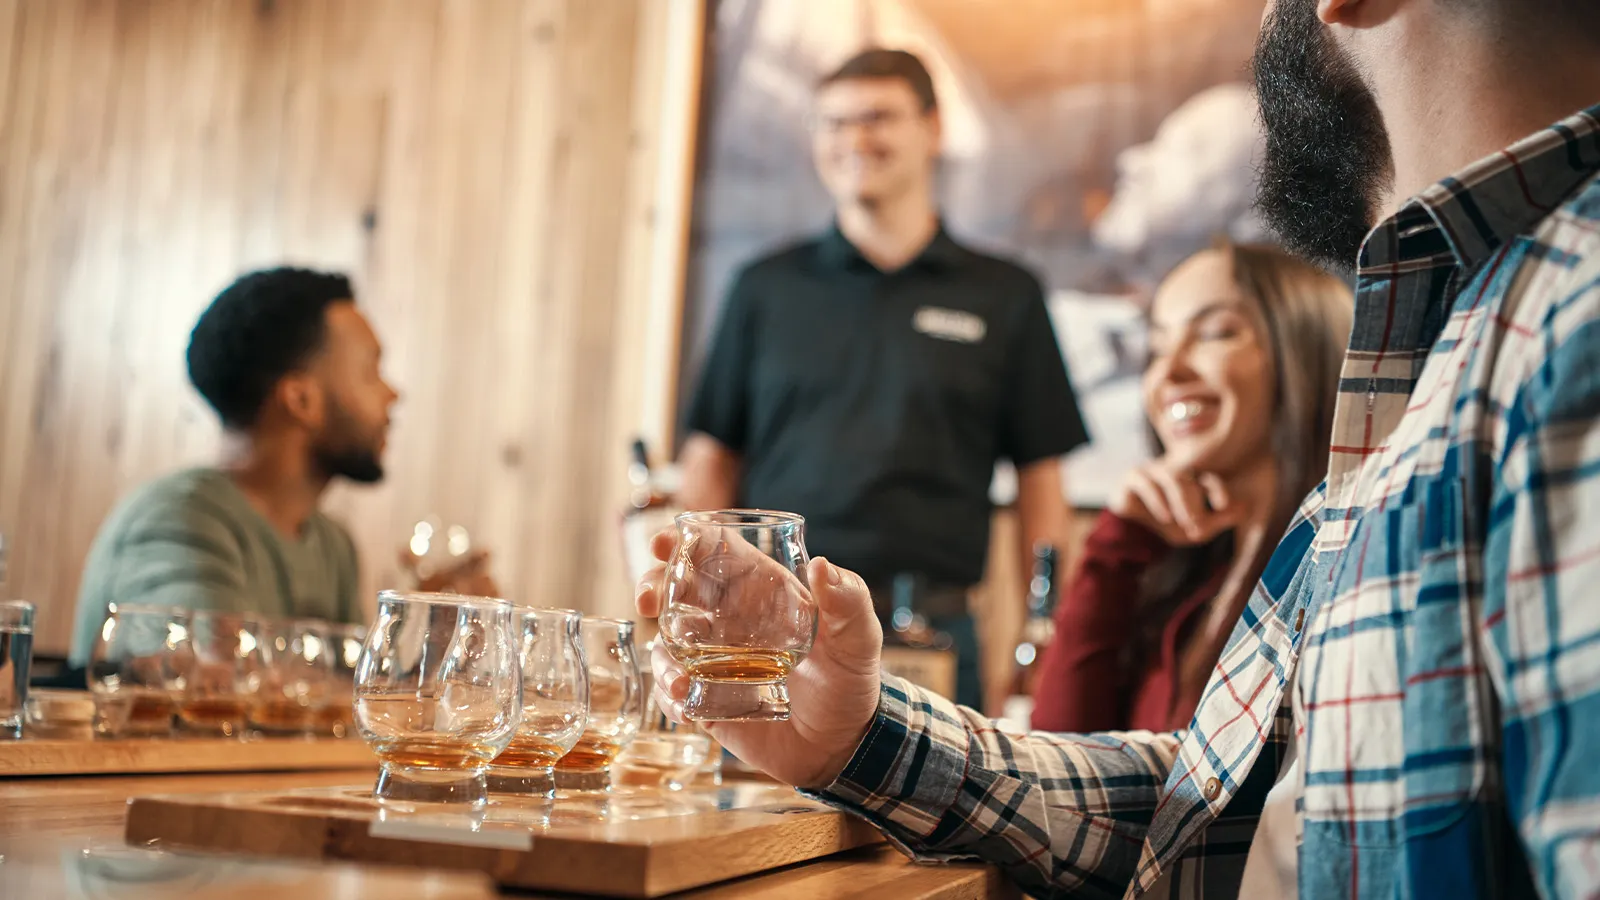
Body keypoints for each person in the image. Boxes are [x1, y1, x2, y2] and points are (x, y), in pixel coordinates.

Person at [639, 1, 1600, 897]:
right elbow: (1219, 805)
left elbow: (1042, 487)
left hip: (939, 618)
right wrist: (859, 736)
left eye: (1215, 332)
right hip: (826, 664)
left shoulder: (1569, 322)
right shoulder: (1452, 349)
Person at [678, 48, 1088, 709]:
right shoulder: (765, 288)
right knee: (756, 781)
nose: (854, 139)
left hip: (936, 635)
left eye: (877, 117)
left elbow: (1041, 479)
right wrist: (702, 598)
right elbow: (711, 460)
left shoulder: (1005, 294)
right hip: (775, 623)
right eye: (833, 122)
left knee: (937, 785)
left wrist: (1046, 633)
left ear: (933, 128)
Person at [68, 268, 493, 667]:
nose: (392, 394)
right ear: (301, 400)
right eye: (370, 371)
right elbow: (208, 684)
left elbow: (344, 705)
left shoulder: (332, 545)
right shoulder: (179, 520)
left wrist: (429, 631)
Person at [1031, 242, 1351, 734]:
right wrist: (1114, 549)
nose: (1168, 372)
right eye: (1158, 347)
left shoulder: (1339, 574)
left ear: (1308, 352)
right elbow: (1062, 750)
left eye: (1214, 333)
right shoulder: (1177, 576)